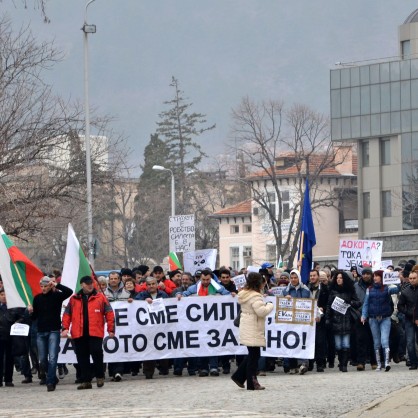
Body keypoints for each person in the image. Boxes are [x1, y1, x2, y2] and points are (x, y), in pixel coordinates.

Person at [62, 276, 115, 389]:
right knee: (82, 357)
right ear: (82, 285)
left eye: (91, 283)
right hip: (78, 333)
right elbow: (67, 314)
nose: (90, 285)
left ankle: (100, 376)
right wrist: (65, 328)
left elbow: (109, 313)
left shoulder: (100, 297)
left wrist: (111, 329)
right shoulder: (74, 298)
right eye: (87, 283)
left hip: (95, 332)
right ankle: (86, 380)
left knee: (97, 354)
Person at [231, 272, 274, 390]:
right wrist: (270, 305)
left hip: (247, 326)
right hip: (253, 327)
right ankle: (251, 382)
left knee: (252, 354)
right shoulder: (255, 296)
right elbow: (261, 311)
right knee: (254, 356)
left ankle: (239, 377)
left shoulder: (245, 294)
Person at [30, 276, 72, 392]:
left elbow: (69, 292)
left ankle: (50, 382)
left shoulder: (57, 296)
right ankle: (52, 376)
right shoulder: (37, 298)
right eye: (41, 286)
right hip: (41, 331)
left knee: (53, 357)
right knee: (42, 359)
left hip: (53, 330)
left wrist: (56, 284)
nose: (43, 288)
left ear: (50, 286)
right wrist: (31, 312)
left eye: (45, 286)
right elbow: (34, 317)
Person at [361, 270, 399, 372]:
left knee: (384, 341)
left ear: (382, 277)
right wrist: (364, 315)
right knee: (376, 342)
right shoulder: (369, 289)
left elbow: (396, 290)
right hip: (373, 319)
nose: (375, 278)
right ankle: (378, 364)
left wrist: (393, 282)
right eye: (374, 276)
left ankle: (386, 362)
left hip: (385, 318)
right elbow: (366, 303)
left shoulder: (387, 288)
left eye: (377, 276)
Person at [326, 271, 360, 372]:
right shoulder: (332, 291)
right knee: (338, 345)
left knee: (346, 344)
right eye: (337, 278)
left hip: (347, 320)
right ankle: (341, 362)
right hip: (336, 320)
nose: (339, 279)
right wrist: (328, 318)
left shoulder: (350, 291)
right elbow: (328, 306)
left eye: (341, 278)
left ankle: (344, 364)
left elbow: (358, 302)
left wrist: (351, 302)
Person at [135, 276, 169, 379]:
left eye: (153, 284)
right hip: (147, 328)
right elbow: (135, 304)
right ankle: (148, 372)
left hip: (161, 326)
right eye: (149, 284)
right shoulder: (142, 295)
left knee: (163, 347)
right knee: (149, 349)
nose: (151, 286)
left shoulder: (163, 294)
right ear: (146, 285)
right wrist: (143, 301)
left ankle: (164, 369)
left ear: (157, 284)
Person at [282, 269, 311, 374]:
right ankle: (292, 365)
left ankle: (303, 364)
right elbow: (280, 304)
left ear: (299, 278)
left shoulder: (306, 290)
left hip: (302, 320)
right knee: (291, 341)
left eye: (295, 278)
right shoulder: (285, 290)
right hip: (289, 321)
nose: (293, 280)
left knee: (302, 341)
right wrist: (285, 298)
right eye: (292, 278)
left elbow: (311, 304)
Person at [353, 268, 377, 371]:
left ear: (371, 275)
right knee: (360, 340)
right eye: (364, 274)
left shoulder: (375, 286)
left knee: (373, 340)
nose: (366, 276)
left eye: (368, 274)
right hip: (359, 316)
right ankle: (361, 362)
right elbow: (352, 300)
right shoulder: (356, 286)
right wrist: (358, 313)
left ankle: (374, 361)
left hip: (373, 316)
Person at [397, 270, 418, 370]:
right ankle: (413, 362)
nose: (412, 280)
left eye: (414, 278)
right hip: (409, 319)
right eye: (411, 278)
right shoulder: (405, 291)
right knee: (410, 342)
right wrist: (409, 313)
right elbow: (400, 306)